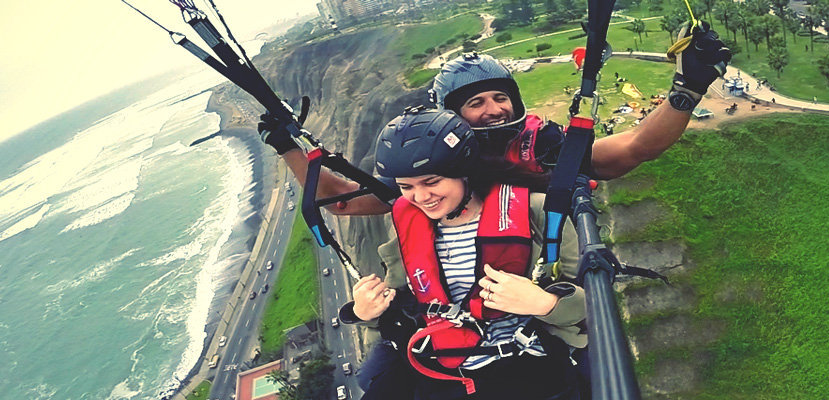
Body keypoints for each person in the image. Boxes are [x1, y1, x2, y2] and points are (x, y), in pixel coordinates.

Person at [257, 22, 731, 217]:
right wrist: (288, 148)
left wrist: (686, 93)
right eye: (476, 103)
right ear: (452, 114)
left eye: (498, 97)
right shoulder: (424, 156)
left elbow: (632, 150)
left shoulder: (539, 142)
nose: (494, 109)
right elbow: (342, 202)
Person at [339, 108, 586, 399]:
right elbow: (401, 303)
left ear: (463, 171)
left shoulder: (535, 212)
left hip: (522, 361)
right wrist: (364, 312)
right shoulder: (408, 225)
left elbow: (589, 301)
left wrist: (544, 302)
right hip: (439, 365)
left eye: (431, 182)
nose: (420, 197)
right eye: (406, 187)